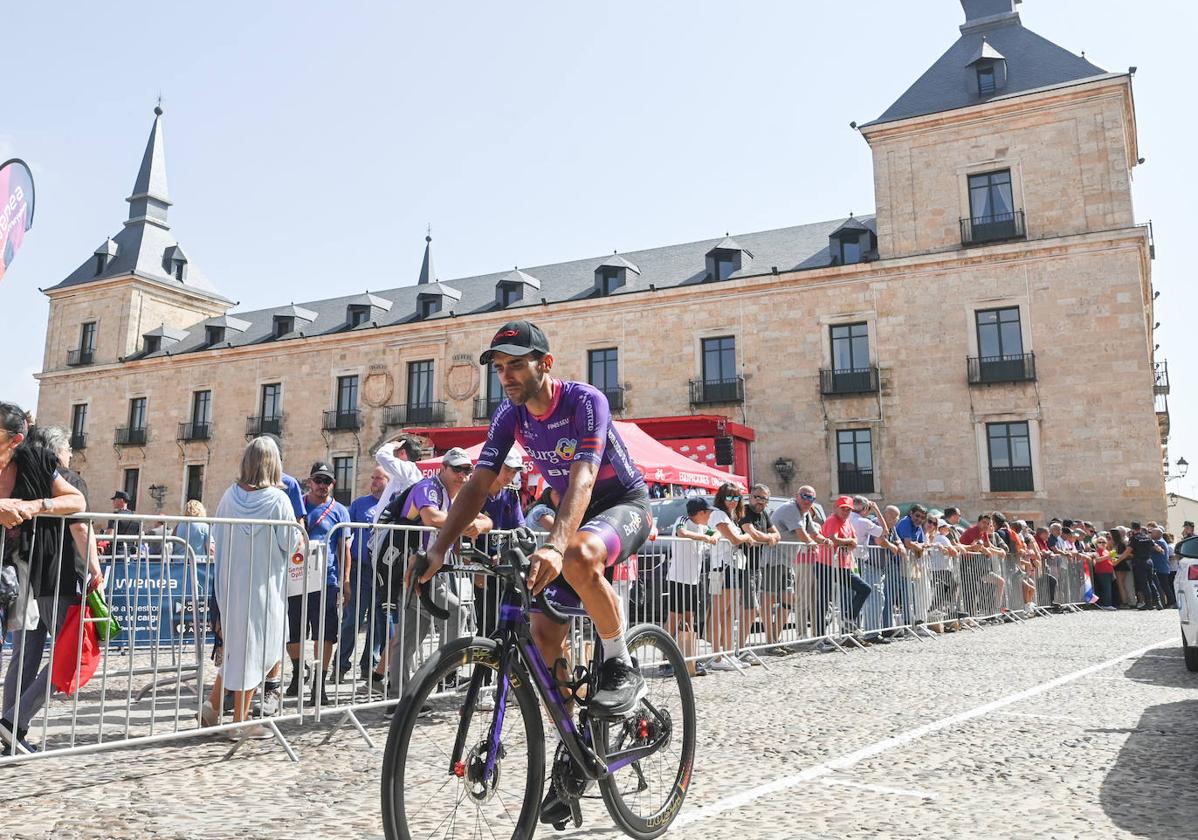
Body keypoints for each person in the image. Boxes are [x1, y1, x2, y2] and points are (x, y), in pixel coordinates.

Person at [416, 320, 658, 828]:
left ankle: (618, 661)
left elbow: (584, 476)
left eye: (516, 364)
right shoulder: (510, 415)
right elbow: (480, 482)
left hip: (622, 506)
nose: (505, 375)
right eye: (499, 368)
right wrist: (439, 547)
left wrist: (554, 542)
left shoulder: (584, 400)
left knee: (576, 555)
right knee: (544, 635)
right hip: (572, 517)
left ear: (545, 364)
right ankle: (573, 751)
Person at [1, 424, 98, 755]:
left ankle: (9, 730)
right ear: (57, 450)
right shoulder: (67, 480)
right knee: (72, 654)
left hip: (32, 576)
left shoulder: (29, 479)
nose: (70, 452)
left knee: (24, 656)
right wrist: (95, 571)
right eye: (68, 446)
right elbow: (81, 527)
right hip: (61, 578)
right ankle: (14, 723)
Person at [202, 436, 299, 740]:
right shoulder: (278, 500)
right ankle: (240, 721)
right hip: (262, 585)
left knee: (238, 649)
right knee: (257, 650)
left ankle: (213, 707)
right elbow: (290, 542)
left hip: (231, 583)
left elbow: (216, 535)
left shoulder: (229, 496)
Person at [379, 448, 490, 692]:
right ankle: (443, 676)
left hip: (429, 570)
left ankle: (400, 696)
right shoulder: (426, 487)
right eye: (456, 469)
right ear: (443, 469)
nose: (462, 475)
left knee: (410, 635)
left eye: (467, 470)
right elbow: (431, 518)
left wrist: (475, 525)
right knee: (455, 613)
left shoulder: (457, 496)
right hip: (415, 567)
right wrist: (467, 524)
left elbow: (487, 520)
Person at [285, 462, 352, 706]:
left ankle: (319, 684)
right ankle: (297, 672)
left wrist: (345, 581)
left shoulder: (340, 511)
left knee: (325, 634)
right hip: (296, 579)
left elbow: (344, 549)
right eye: (318, 480)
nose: (322, 485)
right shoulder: (298, 504)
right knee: (294, 633)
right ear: (309, 481)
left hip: (327, 580)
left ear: (332, 484)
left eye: (327, 481)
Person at [474, 449, 526, 709]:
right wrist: (478, 567)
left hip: (506, 570)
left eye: (515, 471)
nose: (511, 476)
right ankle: (482, 688)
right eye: (508, 469)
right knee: (486, 629)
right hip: (483, 569)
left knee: (510, 631)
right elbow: (467, 532)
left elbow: (518, 528)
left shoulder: (512, 495)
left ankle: (506, 684)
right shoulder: (478, 491)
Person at [338, 465, 389, 682]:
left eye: (379, 478)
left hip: (383, 571)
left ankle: (370, 664)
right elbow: (345, 535)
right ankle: (340, 665)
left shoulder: (392, 506)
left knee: (378, 621)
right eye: (373, 477)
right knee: (353, 618)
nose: (374, 481)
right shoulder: (359, 505)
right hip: (361, 568)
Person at [705, 483, 756, 670]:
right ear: (722, 498)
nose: (733, 501)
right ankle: (717, 657)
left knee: (728, 613)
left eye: (736, 498)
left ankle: (727, 654)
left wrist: (743, 536)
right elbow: (734, 539)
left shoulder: (730, 516)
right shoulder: (718, 514)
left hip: (734, 566)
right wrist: (747, 537)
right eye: (729, 497)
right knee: (719, 612)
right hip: (723, 567)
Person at [666, 497, 716, 676]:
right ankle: (666, 659)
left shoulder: (704, 527)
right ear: (700, 512)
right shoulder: (683, 520)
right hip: (678, 577)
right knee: (673, 618)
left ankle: (689, 657)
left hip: (693, 580)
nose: (710, 516)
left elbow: (716, 534)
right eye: (708, 512)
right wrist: (704, 537)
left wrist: (711, 536)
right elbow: (682, 533)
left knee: (689, 619)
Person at [814, 496, 870, 652]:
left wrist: (847, 541)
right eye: (843, 508)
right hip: (826, 563)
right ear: (835, 508)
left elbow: (854, 541)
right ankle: (820, 637)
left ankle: (847, 617)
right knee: (824, 601)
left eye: (848, 509)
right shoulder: (832, 520)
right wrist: (848, 541)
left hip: (843, 565)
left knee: (865, 589)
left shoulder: (848, 522)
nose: (846, 511)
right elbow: (834, 539)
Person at [770, 485, 825, 642]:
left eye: (811, 498)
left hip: (787, 561)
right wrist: (813, 543)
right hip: (774, 559)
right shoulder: (790, 509)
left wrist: (825, 541)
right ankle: (796, 637)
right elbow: (803, 535)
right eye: (805, 496)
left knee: (788, 602)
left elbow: (814, 533)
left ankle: (775, 639)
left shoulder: (805, 513)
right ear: (797, 495)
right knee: (770, 601)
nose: (808, 500)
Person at [739, 484, 783, 652]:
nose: (759, 501)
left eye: (763, 498)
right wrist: (769, 538)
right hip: (742, 567)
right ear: (750, 497)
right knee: (750, 609)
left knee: (750, 610)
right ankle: (740, 649)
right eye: (757, 497)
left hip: (757, 568)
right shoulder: (744, 511)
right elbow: (752, 533)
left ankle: (740, 649)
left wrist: (770, 537)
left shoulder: (764, 514)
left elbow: (777, 535)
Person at [372, 437, 423, 526]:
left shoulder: (408, 469)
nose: (392, 456)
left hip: (392, 529)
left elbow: (381, 455)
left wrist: (392, 445)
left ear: (402, 452)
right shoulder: (406, 473)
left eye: (394, 452)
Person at [1127, 522, 1161, 610]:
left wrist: (1118, 560)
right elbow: (1158, 548)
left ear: (1133, 528)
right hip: (1149, 562)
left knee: (1144, 583)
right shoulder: (1147, 537)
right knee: (1151, 582)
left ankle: (1148, 603)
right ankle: (1158, 602)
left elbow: (1127, 552)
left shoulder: (1134, 538)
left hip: (1139, 562)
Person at [1091, 534, 1118, 611]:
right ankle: (1106, 604)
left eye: (1104, 542)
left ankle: (1106, 603)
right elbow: (1097, 560)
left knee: (1108, 588)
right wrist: (1109, 556)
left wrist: (1114, 558)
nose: (1102, 543)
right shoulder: (1097, 551)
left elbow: (1112, 562)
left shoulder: (1106, 551)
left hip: (1109, 571)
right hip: (1101, 572)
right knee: (1106, 588)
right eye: (1100, 542)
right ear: (1096, 544)